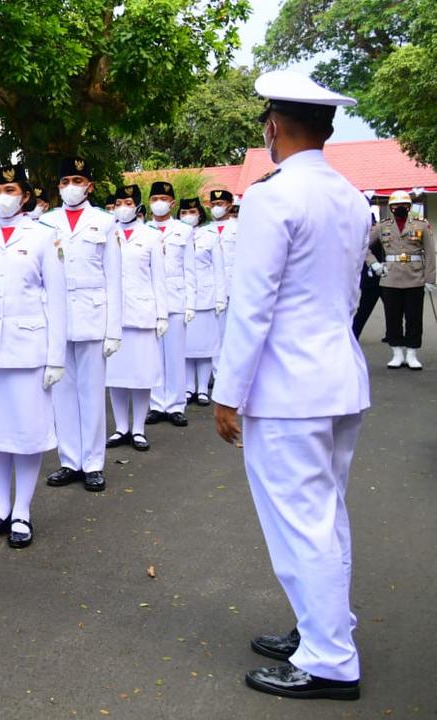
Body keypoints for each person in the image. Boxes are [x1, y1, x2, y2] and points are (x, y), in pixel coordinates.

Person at [214, 70, 369, 701]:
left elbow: (253, 305)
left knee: (302, 525)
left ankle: (330, 660)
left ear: (273, 128)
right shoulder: (352, 197)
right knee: (326, 518)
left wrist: (228, 393)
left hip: (289, 390)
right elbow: (351, 297)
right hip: (338, 377)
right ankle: (322, 627)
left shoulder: (272, 197)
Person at [0, 165, 65, 549]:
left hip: (28, 350)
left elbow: (57, 299)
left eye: (9, 189)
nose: (2, 197)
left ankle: (22, 510)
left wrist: (56, 357)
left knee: (27, 433)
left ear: (25, 195)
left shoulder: (44, 236)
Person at [40, 156, 122, 492]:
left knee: (91, 394)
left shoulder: (105, 222)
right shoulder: (46, 222)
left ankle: (93, 463)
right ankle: (69, 460)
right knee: (62, 395)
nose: (70, 187)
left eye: (77, 181)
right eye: (65, 182)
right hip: (56, 318)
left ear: (89, 186)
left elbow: (114, 278)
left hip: (92, 315)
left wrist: (113, 330)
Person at [104, 184, 168, 452]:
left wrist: (162, 315)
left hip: (142, 314)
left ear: (138, 205)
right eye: (118, 203)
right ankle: (121, 427)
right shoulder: (107, 232)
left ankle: (139, 428)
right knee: (116, 376)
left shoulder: (151, 236)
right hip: (113, 316)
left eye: (128, 203)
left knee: (142, 376)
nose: (122, 208)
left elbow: (159, 278)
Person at [146, 182, 196, 428]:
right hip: (150, 301)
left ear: (172, 203)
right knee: (154, 356)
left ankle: (176, 405)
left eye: (164, 198)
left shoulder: (183, 230)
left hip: (176, 299)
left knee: (175, 356)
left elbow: (190, 269)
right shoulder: (143, 230)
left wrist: (191, 303)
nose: (159, 203)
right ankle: (156, 404)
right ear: (149, 202)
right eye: (155, 198)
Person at [374, 190, 435, 369]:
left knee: (414, 318)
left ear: (409, 207)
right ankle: (397, 353)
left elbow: (430, 253)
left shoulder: (421, 225)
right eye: (396, 205)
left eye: (403, 205)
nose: (400, 208)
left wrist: (430, 279)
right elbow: (364, 247)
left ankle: (412, 354)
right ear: (390, 207)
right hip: (390, 278)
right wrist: (374, 264)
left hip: (415, 278)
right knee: (392, 318)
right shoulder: (382, 226)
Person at [185, 197, 225, 405]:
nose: (188, 216)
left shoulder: (210, 236)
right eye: (184, 213)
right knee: (186, 348)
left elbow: (219, 269)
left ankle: (202, 388)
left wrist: (220, 298)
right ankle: (188, 387)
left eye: (192, 212)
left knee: (205, 347)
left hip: (206, 297)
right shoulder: (177, 235)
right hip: (184, 297)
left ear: (200, 214)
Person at [207, 188, 239, 371]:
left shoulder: (240, 228)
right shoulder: (204, 231)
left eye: (220, 204)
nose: (216, 208)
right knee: (214, 333)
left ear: (229, 206)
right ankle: (216, 373)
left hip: (234, 286)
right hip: (211, 288)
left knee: (233, 332)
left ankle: (232, 371)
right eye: (213, 204)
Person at [350, 225, 387, 339]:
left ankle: (391, 334)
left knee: (392, 309)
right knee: (364, 309)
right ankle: (353, 335)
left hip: (387, 276)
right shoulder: (374, 233)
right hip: (371, 277)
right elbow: (363, 249)